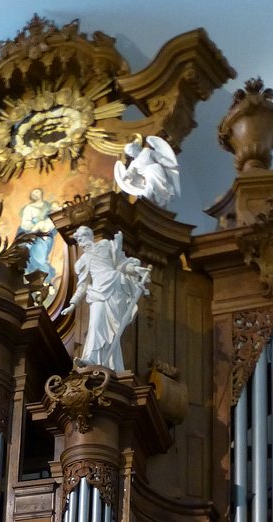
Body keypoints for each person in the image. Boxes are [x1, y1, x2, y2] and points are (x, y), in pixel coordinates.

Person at [60, 226, 151, 372]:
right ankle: (92, 359)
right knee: (95, 324)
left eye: (81, 239)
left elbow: (120, 264)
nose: (81, 243)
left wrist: (135, 270)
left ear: (88, 236)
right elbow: (83, 285)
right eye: (78, 241)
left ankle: (109, 364)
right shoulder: (82, 261)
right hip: (97, 292)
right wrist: (73, 303)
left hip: (115, 289)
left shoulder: (105, 245)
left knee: (113, 330)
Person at [114, 135, 180, 208]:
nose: (133, 152)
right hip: (148, 176)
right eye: (131, 151)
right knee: (150, 184)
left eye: (133, 149)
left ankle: (150, 199)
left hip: (155, 170)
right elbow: (130, 173)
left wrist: (170, 164)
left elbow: (161, 159)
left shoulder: (147, 152)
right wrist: (126, 177)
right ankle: (148, 200)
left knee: (152, 178)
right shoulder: (134, 163)